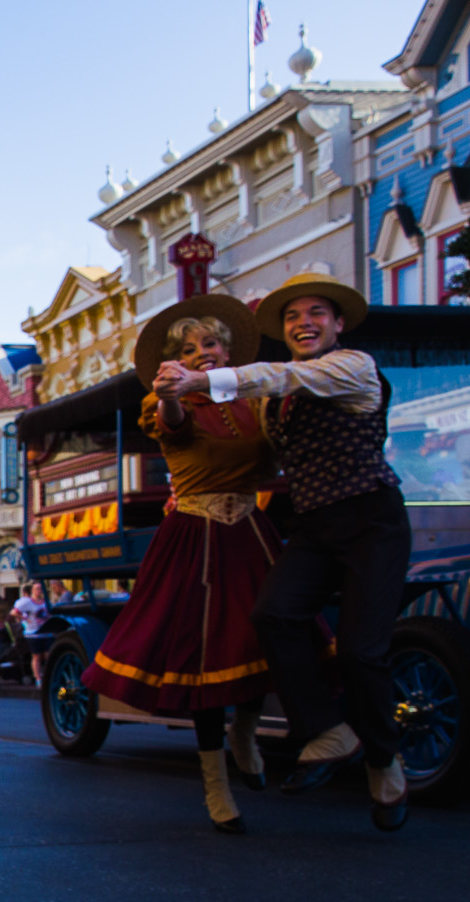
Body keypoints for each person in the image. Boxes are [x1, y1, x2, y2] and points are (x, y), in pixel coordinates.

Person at [159, 272, 409, 831]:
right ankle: (327, 730)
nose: (304, 323)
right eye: (294, 317)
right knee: (273, 614)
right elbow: (239, 448)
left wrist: (206, 378)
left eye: (317, 313)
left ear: (338, 324)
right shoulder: (277, 408)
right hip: (315, 526)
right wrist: (190, 481)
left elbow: (283, 375)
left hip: (371, 519)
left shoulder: (352, 368)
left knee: (360, 652)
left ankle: (383, 759)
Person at [84, 294, 279, 832]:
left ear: (227, 349)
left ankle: (247, 728)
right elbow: (172, 426)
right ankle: (217, 786)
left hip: (252, 534)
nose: (202, 354)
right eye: (189, 349)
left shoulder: (252, 400)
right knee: (204, 661)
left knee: (271, 637)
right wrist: (170, 396)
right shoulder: (168, 401)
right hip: (197, 535)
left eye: (210, 343)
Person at [13, 583, 51, 683]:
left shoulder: (46, 602)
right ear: (32, 591)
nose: (39, 590)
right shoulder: (27, 602)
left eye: (41, 588)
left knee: (48, 655)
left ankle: (48, 676)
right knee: (37, 656)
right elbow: (14, 612)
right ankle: (38, 678)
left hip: (46, 632)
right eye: (37, 589)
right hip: (33, 633)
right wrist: (23, 618)